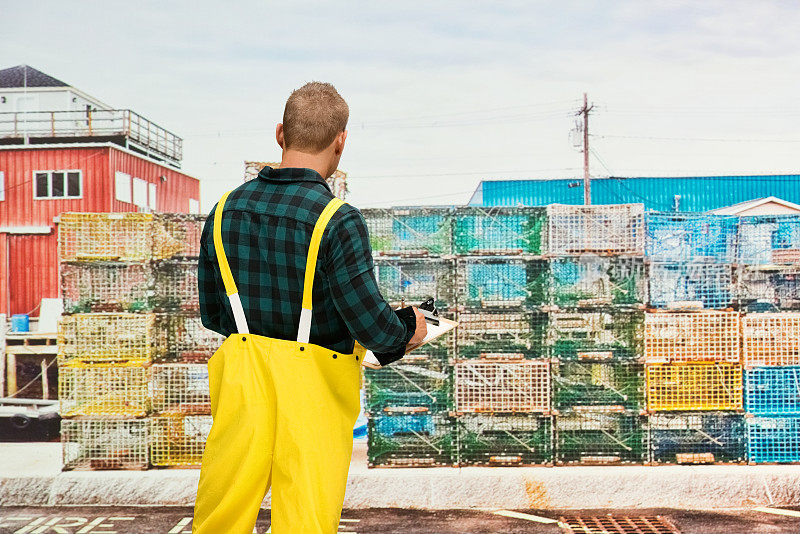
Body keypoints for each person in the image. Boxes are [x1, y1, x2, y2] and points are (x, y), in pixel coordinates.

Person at [192, 82, 427, 534]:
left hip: (242, 383)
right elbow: (374, 327)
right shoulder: (338, 220)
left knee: (220, 517)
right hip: (313, 394)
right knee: (305, 521)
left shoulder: (223, 211)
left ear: (280, 134)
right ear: (341, 141)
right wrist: (409, 328)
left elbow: (213, 315)